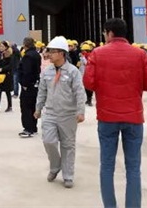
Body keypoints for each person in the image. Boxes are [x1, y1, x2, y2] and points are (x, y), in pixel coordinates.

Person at [83, 18, 147, 208]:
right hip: (133, 117)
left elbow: (88, 83)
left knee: (107, 166)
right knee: (133, 168)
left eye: (104, 33)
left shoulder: (98, 53)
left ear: (109, 33)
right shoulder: (140, 54)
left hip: (107, 117)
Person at [35, 36, 86, 189]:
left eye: (52, 52)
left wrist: (80, 111)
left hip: (68, 114)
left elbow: (79, 92)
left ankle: (68, 175)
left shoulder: (73, 72)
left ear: (62, 53)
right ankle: (55, 166)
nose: (49, 54)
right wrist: (38, 108)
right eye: (48, 51)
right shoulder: (47, 71)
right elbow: (42, 91)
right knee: (48, 141)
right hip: (50, 113)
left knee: (68, 145)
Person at [18, 37, 41, 138]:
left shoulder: (27, 56)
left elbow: (27, 71)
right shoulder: (36, 54)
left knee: (26, 107)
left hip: (28, 85)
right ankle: (34, 127)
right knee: (33, 106)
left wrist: (24, 84)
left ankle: (28, 128)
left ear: (25, 44)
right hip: (35, 84)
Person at [0, 41, 14, 112]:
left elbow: (10, 65)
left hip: (7, 75)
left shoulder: (9, 55)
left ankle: (9, 106)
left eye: (2, 46)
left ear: (6, 47)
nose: (1, 47)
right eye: (0, 46)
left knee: (7, 91)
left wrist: (2, 69)